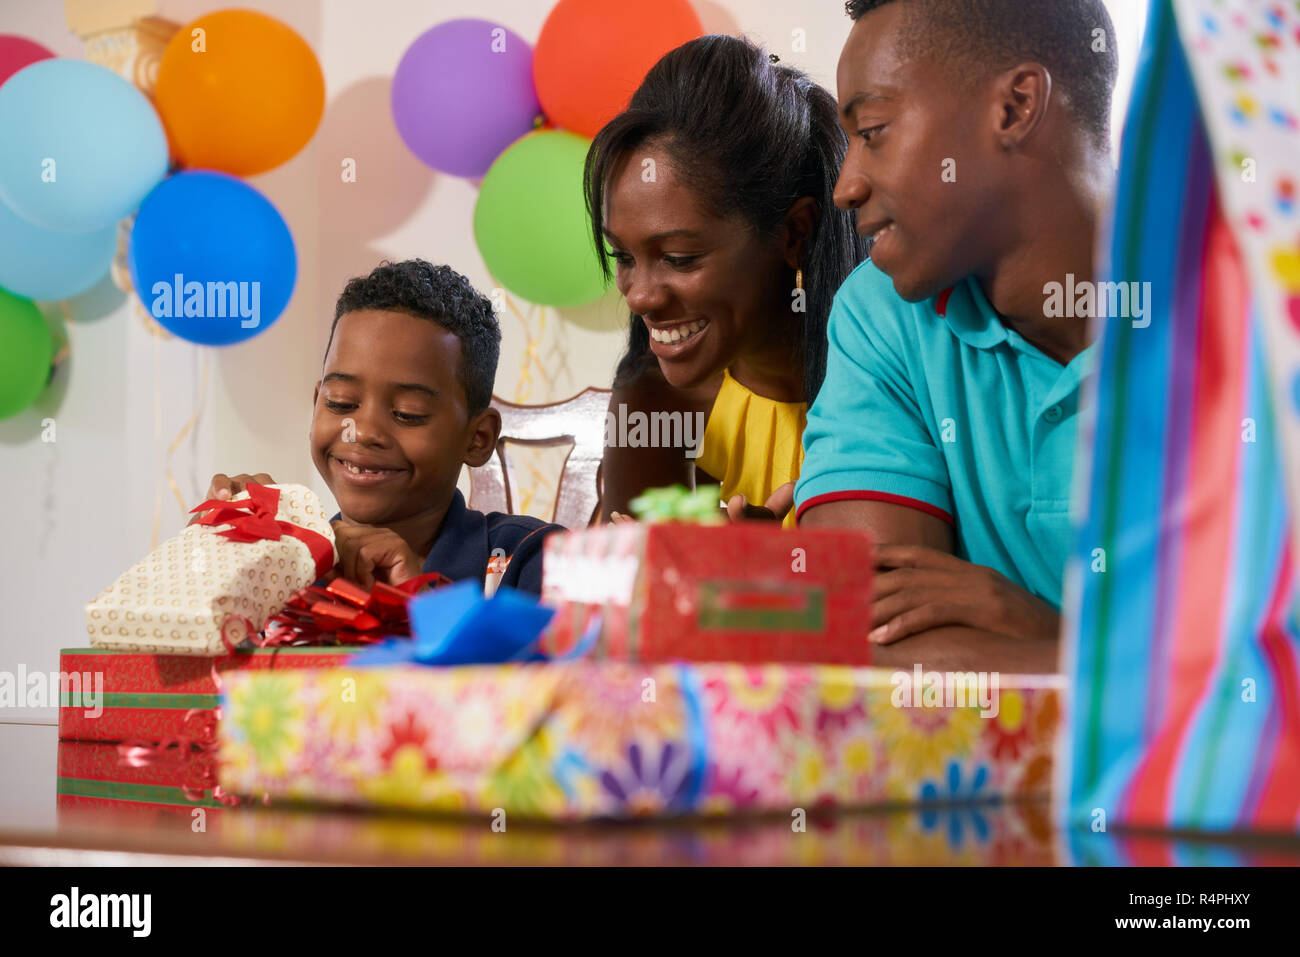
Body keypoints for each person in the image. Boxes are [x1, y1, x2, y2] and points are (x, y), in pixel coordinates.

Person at [796, 0, 1120, 672]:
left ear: (1014, 107)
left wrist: (1043, 631)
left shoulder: (1245, 306)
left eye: (874, 130)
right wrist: (1120, 666)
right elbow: (861, 646)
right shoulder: (880, 312)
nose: (845, 186)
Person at [586, 34, 868, 526]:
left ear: (794, 233)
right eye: (623, 255)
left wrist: (768, 573)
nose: (640, 296)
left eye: (678, 257)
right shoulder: (655, 396)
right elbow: (621, 583)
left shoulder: (889, 382)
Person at [199, 260, 562, 595]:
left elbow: (564, 665)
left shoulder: (535, 563)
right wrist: (212, 566)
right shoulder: (286, 570)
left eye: (408, 412)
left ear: (477, 438)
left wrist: (417, 597)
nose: (364, 431)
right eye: (341, 403)